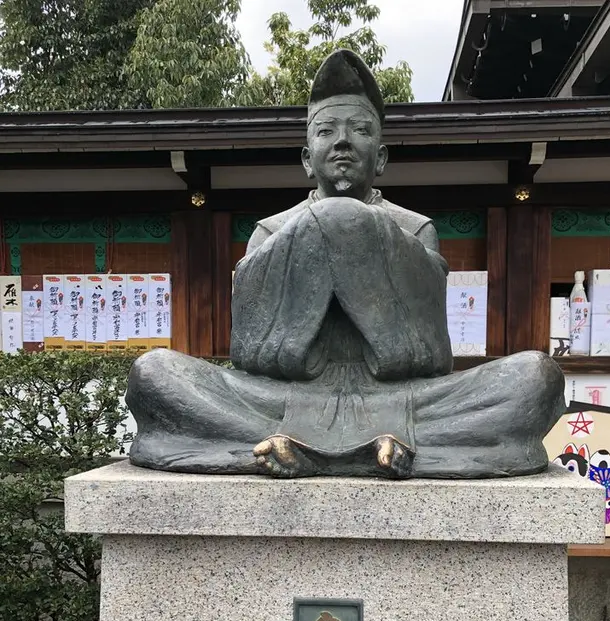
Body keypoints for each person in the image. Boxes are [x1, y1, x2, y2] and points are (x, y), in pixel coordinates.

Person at [126, 49, 565, 479]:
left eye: (359, 129)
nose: (342, 141)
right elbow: (253, 355)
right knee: (153, 373)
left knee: (535, 377)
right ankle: (376, 455)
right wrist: (319, 232)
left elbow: (427, 357)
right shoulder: (271, 231)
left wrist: (357, 230)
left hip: (397, 402)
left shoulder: (414, 229)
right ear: (306, 156)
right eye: (325, 131)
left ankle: (299, 454)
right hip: (281, 402)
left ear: (382, 154)